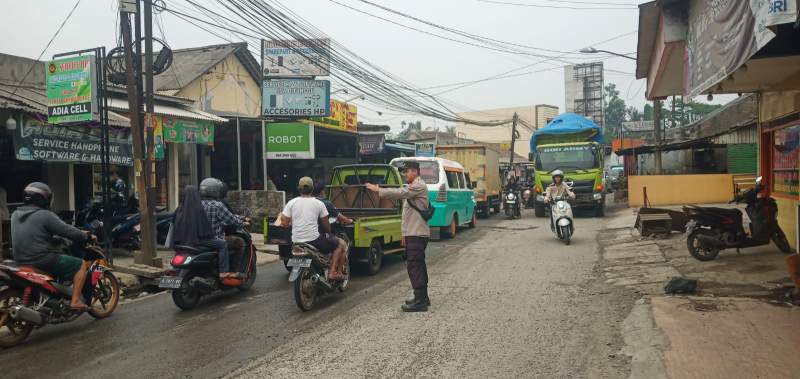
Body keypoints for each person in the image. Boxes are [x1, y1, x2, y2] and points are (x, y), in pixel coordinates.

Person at [10, 182, 92, 310]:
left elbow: (34, 235)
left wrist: (56, 239)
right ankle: (75, 300)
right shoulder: (45, 215)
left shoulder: (15, 214)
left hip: (20, 260)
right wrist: (85, 236)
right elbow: (68, 231)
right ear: (43, 199)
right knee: (80, 264)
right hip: (40, 259)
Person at [366, 161, 431, 312]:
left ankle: (420, 301)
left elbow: (400, 192)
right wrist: (404, 234)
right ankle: (422, 297)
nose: (404, 174)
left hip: (417, 233)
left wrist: (378, 189)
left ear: (415, 171)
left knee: (414, 266)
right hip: (412, 232)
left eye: (407, 171)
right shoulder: (413, 187)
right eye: (404, 172)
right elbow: (406, 214)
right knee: (417, 265)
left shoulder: (418, 185)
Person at [278, 177, 347, 280]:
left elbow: (283, 222)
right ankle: (332, 272)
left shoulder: (291, 203)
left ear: (299, 189)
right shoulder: (319, 204)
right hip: (314, 240)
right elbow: (326, 225)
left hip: (296, 241)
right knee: (339, 245)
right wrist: (329, 232)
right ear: (312, 188)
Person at [199, 178, 246, 279]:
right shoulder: (217, 205)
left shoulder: (197, 204)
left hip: (196, 239)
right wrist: (241, 222)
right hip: (212, 239)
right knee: (239, 242)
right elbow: (232, 220)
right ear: (215, 190)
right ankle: (228, 271)